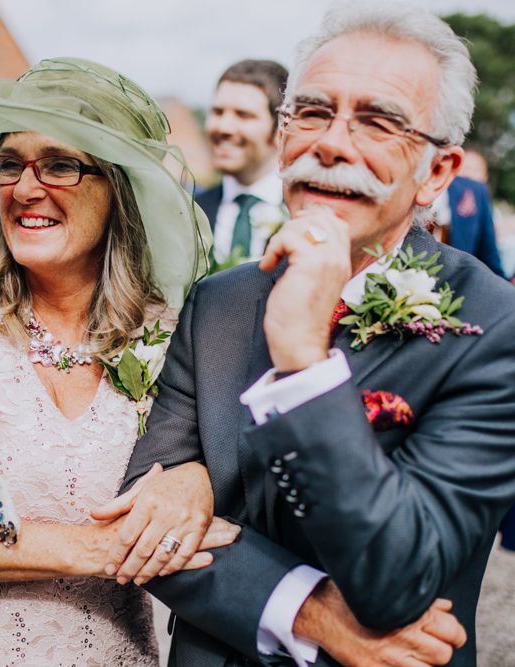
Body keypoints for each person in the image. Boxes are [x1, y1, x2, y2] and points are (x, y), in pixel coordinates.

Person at [103, 4, 515, 666]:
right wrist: (308, 610)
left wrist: (301, 365)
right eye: (312, 113)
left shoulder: (494, 326)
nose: (330, 142)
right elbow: (141, 532)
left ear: (435, 173)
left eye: (378, 121)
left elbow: (397, 579)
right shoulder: (218, 301)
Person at [0, 58, 232, 665]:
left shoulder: (165, 327)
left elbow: (230, 479)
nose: (26, 188)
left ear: (118, 189)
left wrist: (200, 479)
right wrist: (90, 550)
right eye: (9, 164)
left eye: (60, 164)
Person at [197, 59, 289, 266]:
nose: (223, 128)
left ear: (280, 128)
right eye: (218, 112)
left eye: (243, 115)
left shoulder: (302, 213)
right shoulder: (191, 213)